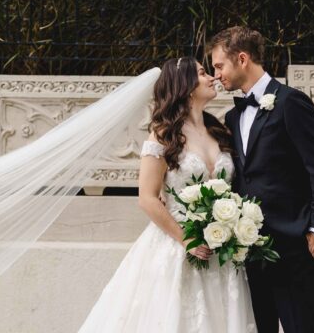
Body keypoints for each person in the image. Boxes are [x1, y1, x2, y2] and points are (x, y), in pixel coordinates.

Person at [77, 57, 257, 332]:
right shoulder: (163, 136)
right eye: (202, 73)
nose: (212, 77)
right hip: (178, 245)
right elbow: (147, 198)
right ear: (184, 85)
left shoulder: (221, 131)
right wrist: (187, 240)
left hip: (220, 251)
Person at [211, 26, 314, 333]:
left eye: (219, 66)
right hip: (251, 248)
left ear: (242, 59)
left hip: (295, 245)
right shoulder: (231, 118)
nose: (216, 75)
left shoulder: (290, 102)